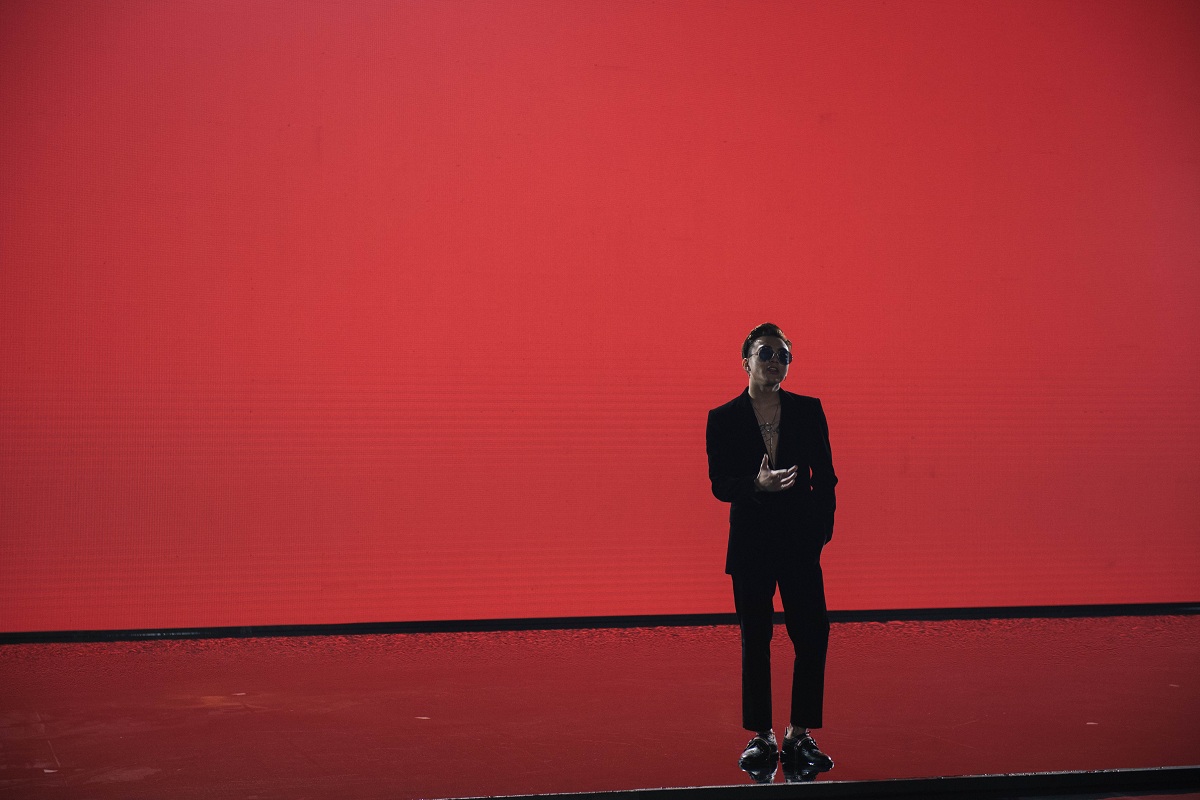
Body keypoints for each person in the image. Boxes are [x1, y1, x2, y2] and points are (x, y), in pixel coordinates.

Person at [705, 322, 838, 779]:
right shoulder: (722, 418)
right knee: (756, 638)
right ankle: (761, 736)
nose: (775, 361)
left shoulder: (808, 410)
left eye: (783, 355)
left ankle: (799, 735)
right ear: (746, 361)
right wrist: (756, 484)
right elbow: (720, 483)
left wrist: (820, 531)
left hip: (800, 543)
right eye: (765, 353)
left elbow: (827, 477)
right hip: (751, 545)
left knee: (813, 633)